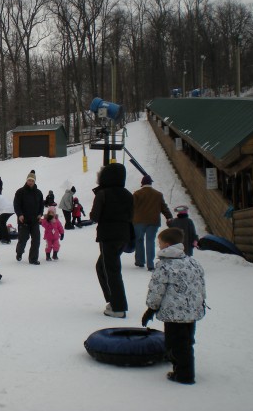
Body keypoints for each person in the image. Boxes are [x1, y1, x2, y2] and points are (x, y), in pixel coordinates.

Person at [141, 228, 206, 385]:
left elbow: (157, 290)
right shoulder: (192, 262)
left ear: (167, 245)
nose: (159, 245)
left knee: (175, 344)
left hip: (173, 313)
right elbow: (200, 286)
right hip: (192, 311)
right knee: (186, 341)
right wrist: (200, 304)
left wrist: (151, 308)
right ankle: (183, 369)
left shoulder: (164, 266)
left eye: (160, 243)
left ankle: (184, 375)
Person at [89, 163, 134, 318]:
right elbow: (131, 215)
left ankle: (118, 306)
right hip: (123, 235)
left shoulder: (103, 194)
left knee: (111, 270)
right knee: (103, 267)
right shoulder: (128, 194)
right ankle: (113, 300)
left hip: (108, 236)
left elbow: (94, 216)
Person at [133, 175, 174, 271]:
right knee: (150, 241)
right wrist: (169, 216)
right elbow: (164, 207)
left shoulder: (137, 194)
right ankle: (150, 264)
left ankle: (140, 261)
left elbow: (131, 207)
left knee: (139, 240)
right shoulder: (158, 194)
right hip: (153, 221)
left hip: (139, 221)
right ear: (151, 183)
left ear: (142, 183)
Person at [14, 171, 44, 264]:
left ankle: (33, 259)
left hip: (35, 220)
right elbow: (16, 205)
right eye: (29, 180)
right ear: (26, 180)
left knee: (36, 240)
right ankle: (19, 252)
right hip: (24, 220)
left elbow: (41, 205)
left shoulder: (38, 193)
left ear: (34, 182)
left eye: (32, 180)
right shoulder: (20, 192)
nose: (30, 182)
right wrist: (20, 215)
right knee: (23, 239)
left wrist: (40, 214)